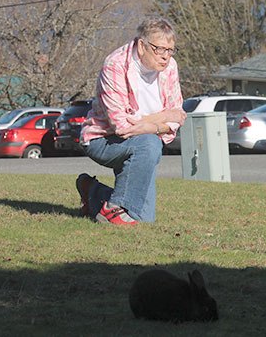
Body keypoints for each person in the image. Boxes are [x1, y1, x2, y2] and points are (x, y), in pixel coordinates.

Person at [76, 16, 186, 225]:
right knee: (151, 143)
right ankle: (112, 209)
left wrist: (150, 125)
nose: (165, 57)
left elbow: (178, 117)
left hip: (142, 144)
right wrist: (160, 121)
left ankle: (92, 190)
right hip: (103, 140)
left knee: (142, 219)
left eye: (170, 50)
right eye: (159, 49)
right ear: (142, 46)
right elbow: (121, 126)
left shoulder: (170, 67)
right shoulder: (115, 65)